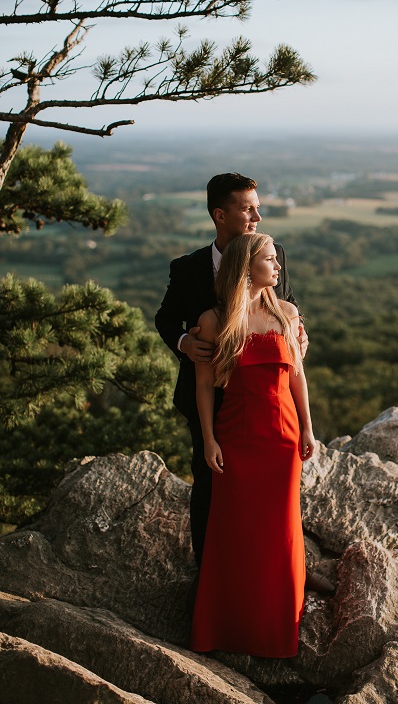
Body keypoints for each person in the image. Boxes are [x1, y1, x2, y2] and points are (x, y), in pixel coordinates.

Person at [155, 173, 306, 568]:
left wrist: (299, 330)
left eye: (257, 206)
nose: (257, 215)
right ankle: (210, 576)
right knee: (210, 487)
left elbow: (286, 304)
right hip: (210, 395)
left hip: (266, 401)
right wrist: (186, 344)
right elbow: (166, 319)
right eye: (247, 208)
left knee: (271, 495)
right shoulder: (188, 269)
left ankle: (276, 572)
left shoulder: (275, 254)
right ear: (220, 215)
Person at [190, 233, 315, 657]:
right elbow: (205, 385)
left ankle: (276, 631)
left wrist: (309, 430)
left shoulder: (288, 313)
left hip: (283, 436)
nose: (278, 266)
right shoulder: (214, 320)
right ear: (247, 266)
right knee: (234, 530)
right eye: (269, 259)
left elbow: (297, 376)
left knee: (280, 531)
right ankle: (225, 629)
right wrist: (209, 440)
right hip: (236, 435)